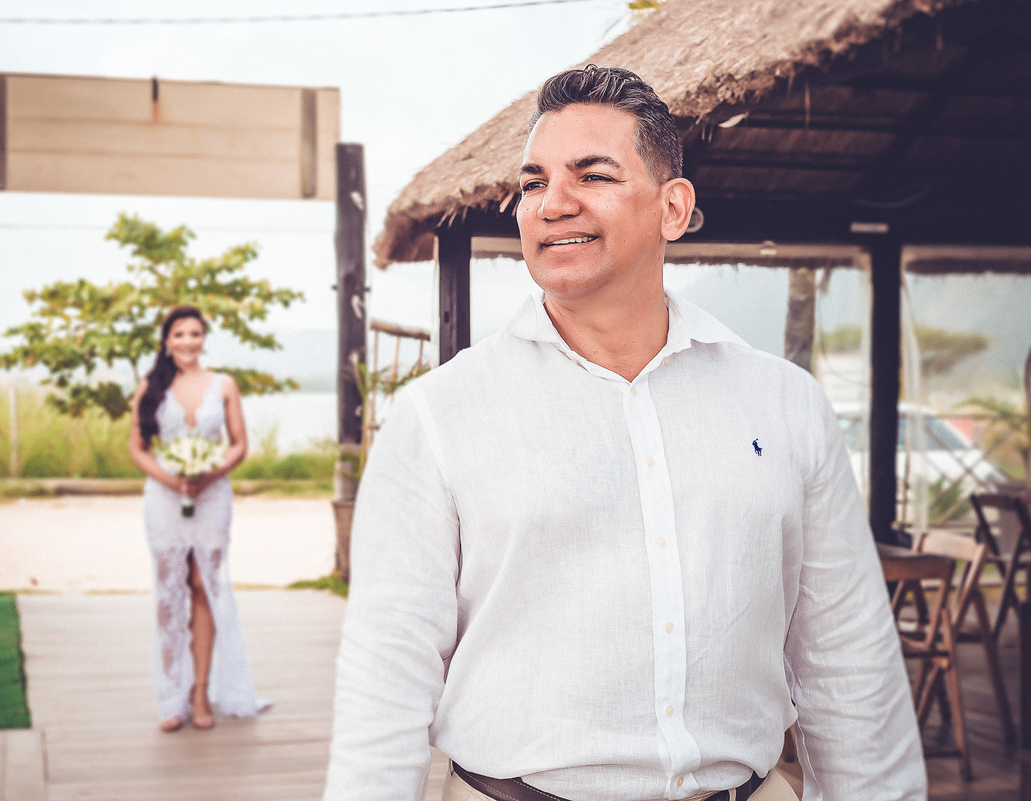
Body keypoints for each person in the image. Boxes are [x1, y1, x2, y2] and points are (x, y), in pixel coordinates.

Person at [324, 66, 925, 800]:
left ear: (673, 207)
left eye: (593, 175)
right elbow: (385, 676)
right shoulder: (439, 415)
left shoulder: (786, 404)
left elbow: (847, 656)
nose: (554, 203)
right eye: (534, 182)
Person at [129, 305, 270, 731]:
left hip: (212, 496)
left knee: (204, 586)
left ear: (204, 339)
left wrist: (208, 473)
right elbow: (137, 448)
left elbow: (239, 444)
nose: (188, 341)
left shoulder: (224, 384)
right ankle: (172, 696)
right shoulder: (149, 387)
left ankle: (202, 692)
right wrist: (173, 481)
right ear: (166, 341)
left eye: (195, 333)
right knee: (169, 593)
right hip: (164, 497)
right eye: (179, 334)